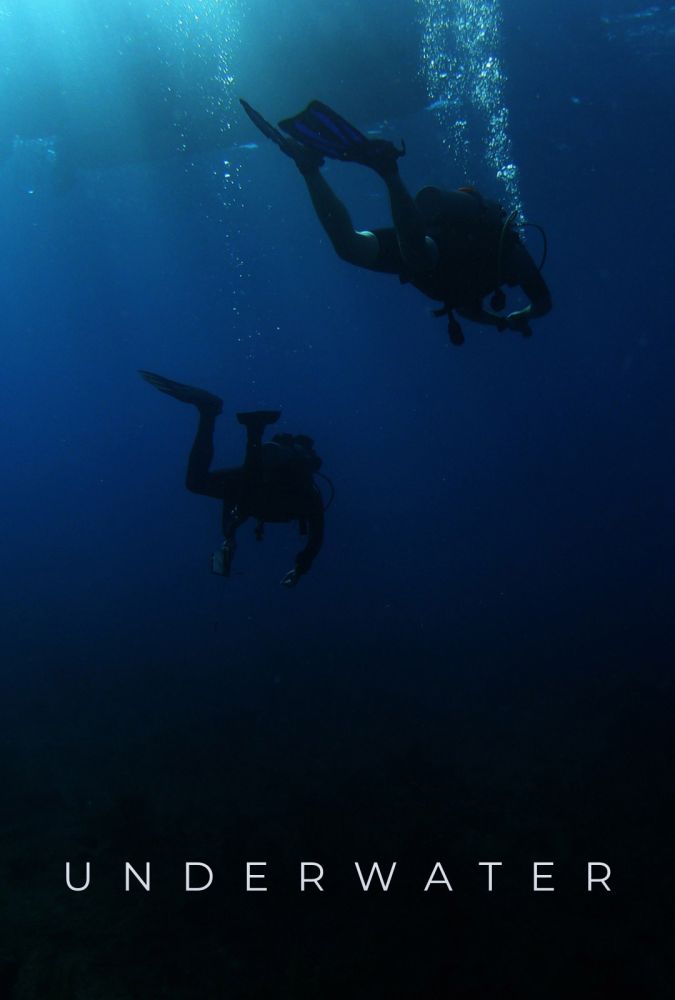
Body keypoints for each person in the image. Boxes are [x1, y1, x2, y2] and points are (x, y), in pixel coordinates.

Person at [240, 99, 551, 346]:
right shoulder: (511, 251)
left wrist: (505, 321)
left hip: (424, 252)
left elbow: (469, 309)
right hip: (437, 250)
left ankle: (308, 168)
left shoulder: (478, 286)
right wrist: (521, 315)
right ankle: (388, 169)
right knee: (417, 256)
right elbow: (543, 304)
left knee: (349, 248)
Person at [139, 371, 325, 587]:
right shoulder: (308, 497)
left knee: (200, 482)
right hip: (257, 482)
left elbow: (236, 499)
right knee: (207, 482)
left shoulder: (302, 496)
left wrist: (229, 536)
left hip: (251, 480)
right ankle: (234, 423)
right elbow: (316, 537)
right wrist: (300, 569)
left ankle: (217, 415)